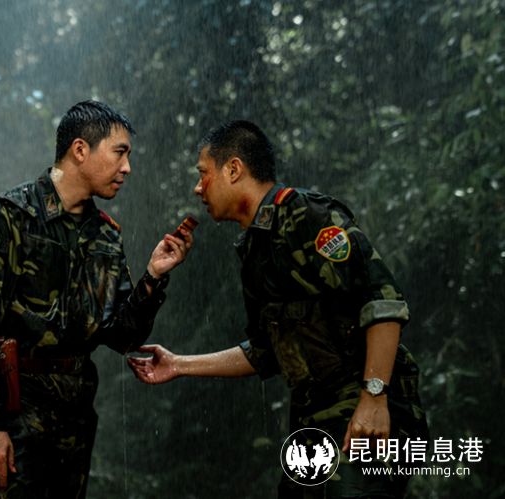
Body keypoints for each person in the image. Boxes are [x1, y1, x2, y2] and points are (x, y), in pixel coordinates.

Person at [127, 120, 428, 498]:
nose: (198, 188)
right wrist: (178, 365)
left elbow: (383, 304)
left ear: (233, 169)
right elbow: (265, 351)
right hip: (314, 422)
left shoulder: (308, 216)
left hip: (364, 415)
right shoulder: (255, 247)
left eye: (203, 174)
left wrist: (374, 396)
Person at [0, 100, 193, 498]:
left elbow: (122, 336)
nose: (127, 168)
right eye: (119, 153)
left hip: (75, 418)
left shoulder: (106, 234)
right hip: (15, 412)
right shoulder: (7, 217)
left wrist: (153, 277)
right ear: (80, 150)